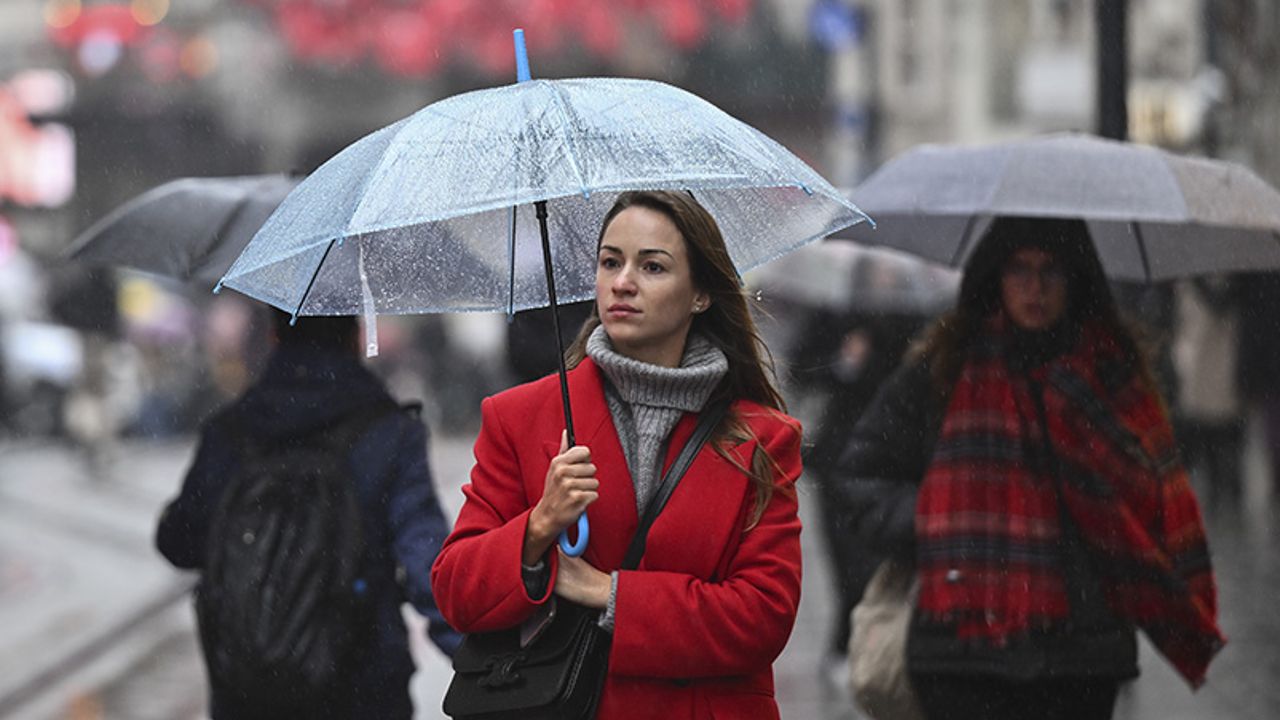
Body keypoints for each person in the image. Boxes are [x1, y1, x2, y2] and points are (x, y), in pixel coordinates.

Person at [431, 190, 804, 719]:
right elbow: (456, 590)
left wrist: (609, 593)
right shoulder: (521, 417)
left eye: (652, 266)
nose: (622, 281)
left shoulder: (762, 439)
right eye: (610, 261)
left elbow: (763, 616)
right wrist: (538, 527)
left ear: (701, 293)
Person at [833, 217, 1225, 720]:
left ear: (1076, 278)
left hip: (1078, 654)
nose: (1034, 288)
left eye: (1051, 272)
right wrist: (934, 521)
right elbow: (861, 473)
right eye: (1019, 270)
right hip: (959, 650)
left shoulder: (1112, 373)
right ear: (994, 275)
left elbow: (1156, 493)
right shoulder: (945, 366)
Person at [156, 311, 460, 719]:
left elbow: (179, 542)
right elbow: (428, 563)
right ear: (354, 338)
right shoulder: (390, 433)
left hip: (248, 690)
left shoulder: (230, 431)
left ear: (274, 337)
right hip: (362, 685)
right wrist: (477, 655)